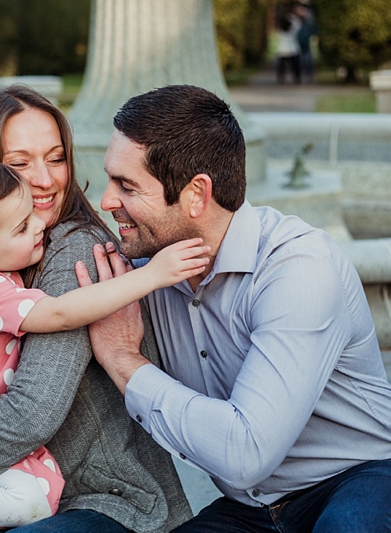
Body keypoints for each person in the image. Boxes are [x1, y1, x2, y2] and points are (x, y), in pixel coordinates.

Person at [78, 84, 391, 532]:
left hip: (359, 478)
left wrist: (124, 360)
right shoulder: (145, 269)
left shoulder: (298, 270)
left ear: (196, 195)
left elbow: (245, 454)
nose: (107, 202)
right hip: (250, 511)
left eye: (127, 186)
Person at [0, 84, 194, 533]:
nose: (45, 179)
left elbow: (32, 412)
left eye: (56, 158)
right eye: (19, 164)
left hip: (106, 498)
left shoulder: (73, 252)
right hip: (16, 485)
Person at [275, 8, 301, 85]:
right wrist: (291, 17)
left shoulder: (280, 31)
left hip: (282, 50)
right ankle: (297, 79)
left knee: (281, 68)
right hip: (293, 50)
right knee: (295, 67)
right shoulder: (293, 30)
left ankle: (281, 79)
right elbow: (298, 24)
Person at [295, 1, 317, 83]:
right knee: (299, 60)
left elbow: (314, 29)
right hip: (298, 43)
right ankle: (299, 76)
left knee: (308, 60)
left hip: (307, 42)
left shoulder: (309, 21)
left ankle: (309, 75)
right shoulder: (296, 20)